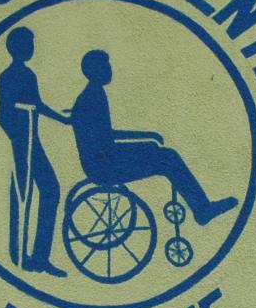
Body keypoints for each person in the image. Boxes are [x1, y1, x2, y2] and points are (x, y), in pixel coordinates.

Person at [68, 48, 239, 226]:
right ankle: (202, 209)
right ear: (96, 71)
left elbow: (106, 137)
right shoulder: (93, 97)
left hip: (102, 162)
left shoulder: (92, 94)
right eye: (106, 66)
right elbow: (106, 141)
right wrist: (145, 142)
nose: (110, 70)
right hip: (104, 167)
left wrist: (147, 139)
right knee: (168, 157)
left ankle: (201, 207)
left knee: (163, 154)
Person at [0, 25, 68, 276]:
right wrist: (17, 137)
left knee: (50, 189)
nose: (31, 48)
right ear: (16, 47)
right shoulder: (7, 77)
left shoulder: (28, 75)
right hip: (22, 141)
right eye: (28, 44)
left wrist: (63, 119)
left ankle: (39, 258)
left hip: (31, 141)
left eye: (31, 44)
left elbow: (37, 105)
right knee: (22, 192)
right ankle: (18, 256)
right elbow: (2, 114)